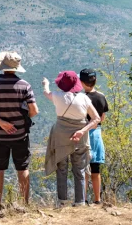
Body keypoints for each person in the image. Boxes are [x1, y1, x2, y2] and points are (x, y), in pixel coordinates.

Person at [0, 51, 38, 206]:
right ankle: (24, 204)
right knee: (22, 168)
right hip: (20, 135)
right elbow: (34, 111)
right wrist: (23, 120)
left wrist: (1, 123)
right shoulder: (25, 86)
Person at [43, 70, 100, 207]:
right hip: (79, 139)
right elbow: (96, 119)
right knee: (80, 170)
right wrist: (82, 131)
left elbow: (46, 93)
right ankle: (80, 202)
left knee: (61, 169)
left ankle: (62, 202)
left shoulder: (56, 96)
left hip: (60, 137)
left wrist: (45, 84)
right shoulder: (84, 99)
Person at [80, 68, 109, 205]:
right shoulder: (101, 96)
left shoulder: (81, 98)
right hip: (97, 134)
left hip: (84, 134)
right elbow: (102, 118)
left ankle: (83, 199)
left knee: (84, 169)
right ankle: (97, 199)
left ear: (81, 82)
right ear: (95, 80)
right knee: (95, 169)